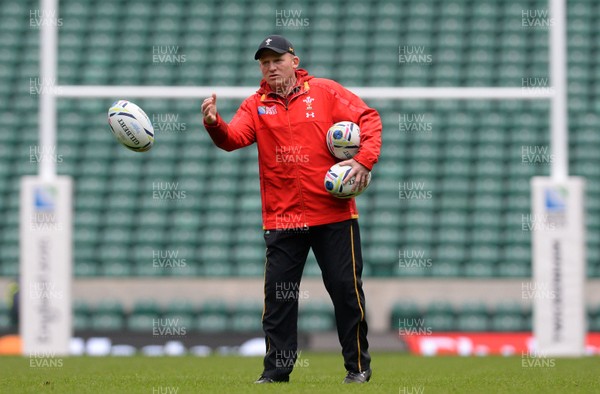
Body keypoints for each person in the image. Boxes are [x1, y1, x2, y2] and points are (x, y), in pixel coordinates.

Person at [201, 35, 381, 384]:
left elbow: (368, 117)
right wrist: (213, 124)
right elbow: (232, 139)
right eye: (264, 63)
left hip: (334, 215)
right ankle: (276, 374)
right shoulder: (255, 105)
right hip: (283, 219)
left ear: (294, 62)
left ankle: (357, 367)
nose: (270, 67)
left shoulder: (325, 91)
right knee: (278, 301)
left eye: (277, 60)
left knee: (347, 292)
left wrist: (364, 160)